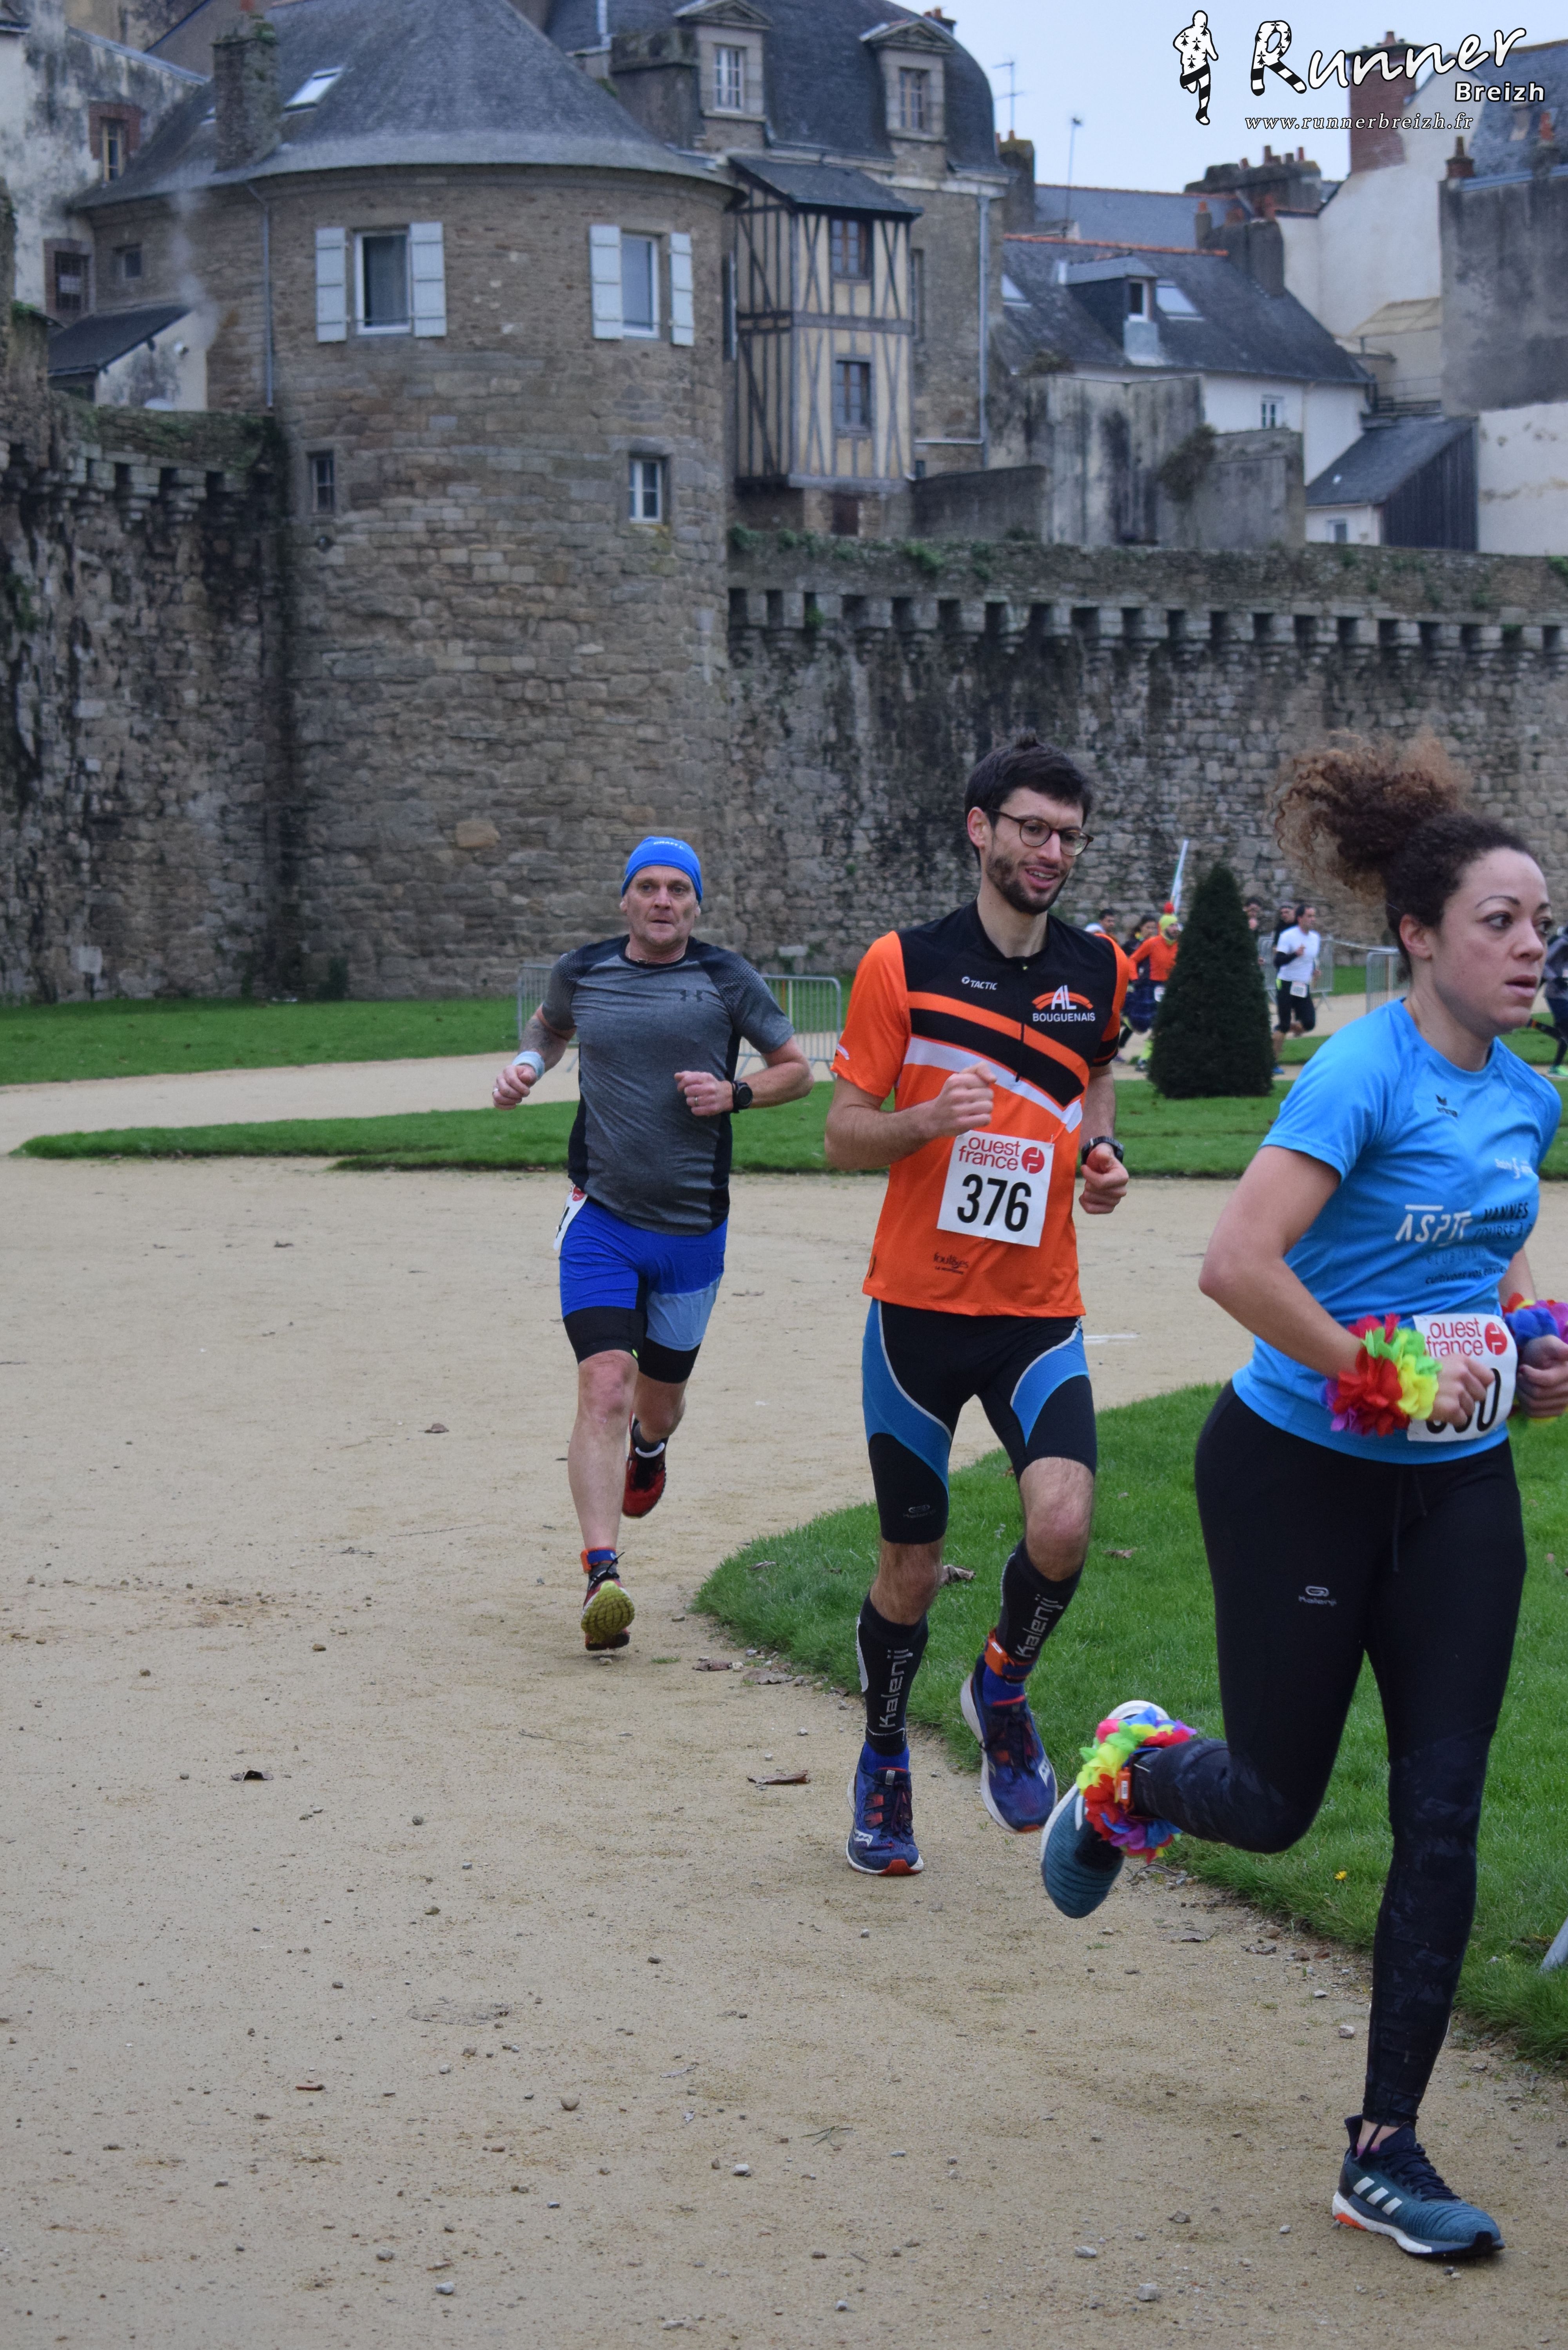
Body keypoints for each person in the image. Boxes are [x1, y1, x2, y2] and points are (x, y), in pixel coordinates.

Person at [1041, 733, 1568, 2258]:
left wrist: (1532, 1345)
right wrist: (1372, 1371)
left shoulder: (1526, 1098)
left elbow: (1487, 1257)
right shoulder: (1358, 1071)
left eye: (1541, 920)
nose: (1529, 944)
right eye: (1498, 920)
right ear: (1418, 935)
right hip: (1296, 1474)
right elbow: (1238, 1262)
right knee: (1275, 1803)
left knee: (1442, 1812)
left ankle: (1382, 2147)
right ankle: (1136, 1773)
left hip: (1456, 1496)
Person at [823, 733, 1131, 1875]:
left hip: (1036, 1311)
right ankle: (883, 1759)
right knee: (909, 1567)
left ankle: (999, 1686)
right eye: (1031, 829)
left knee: (1063, 1525)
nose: (1051, 852)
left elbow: (1095, 1071)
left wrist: (1098, 1153)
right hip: (915, 1315)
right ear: (979, 828)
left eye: (1068, 837)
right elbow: (841, 1135)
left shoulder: (1096, 968)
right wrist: (923, 1121)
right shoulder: (901, 966)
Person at [492, 837, 812, 1649]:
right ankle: (602, 1573)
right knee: (605, 1383)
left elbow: (797, 1070)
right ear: (625, 900)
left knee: (656, 1400)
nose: (663, 900)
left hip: (692, 1229)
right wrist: (529, 1062)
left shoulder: (726, 978)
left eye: (677, 889)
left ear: (695, 904)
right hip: (600, 1217)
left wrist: (735, 1093)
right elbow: (549, 1027)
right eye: (648, 887)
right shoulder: (583, 970)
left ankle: (652, 1444)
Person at [1274, 899, 1321, 1036]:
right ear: (1300, 919)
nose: (1313, 919)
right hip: (1286, 983)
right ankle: (1277, 1039)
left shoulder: (1315, 938)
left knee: (1309, 1022)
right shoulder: (1288, 936)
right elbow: (1277, 962)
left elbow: (1310, 958)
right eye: (1309, 916)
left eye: (1314, 916)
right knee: (1284, 1024)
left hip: (1302, 985)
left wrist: (1314, 970)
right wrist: (1295, 954)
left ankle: (1280, 1031)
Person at [1536, 922, 1568, 1074]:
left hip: (1563, 995)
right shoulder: (1562, 943)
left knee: (1564, 1032)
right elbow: (1543, 963)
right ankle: (1555, 1067)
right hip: (1556, 995)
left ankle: (1556, 1067)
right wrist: (1555, 979)